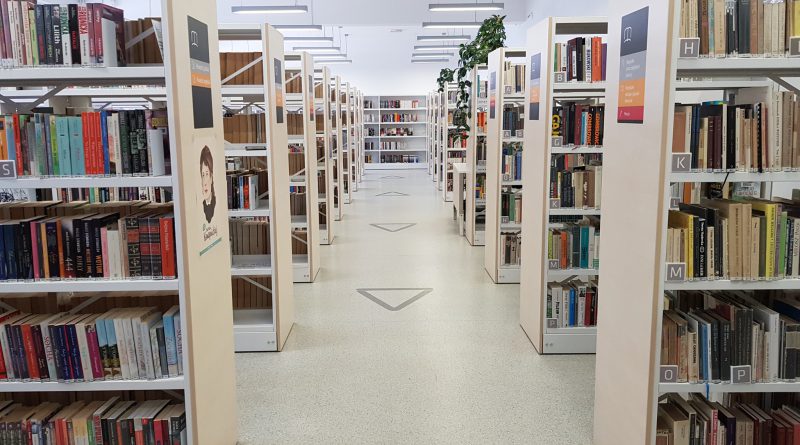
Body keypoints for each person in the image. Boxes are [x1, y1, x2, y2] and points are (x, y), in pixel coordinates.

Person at [200, 146, 216, 223]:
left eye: (207, 174)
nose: (204, 182)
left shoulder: (216, 204)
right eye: (202, 175)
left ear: (211, 177)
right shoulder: (201, 206)